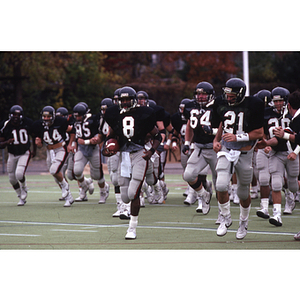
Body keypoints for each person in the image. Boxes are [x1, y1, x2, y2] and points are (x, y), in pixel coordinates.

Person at [103, 86, 162, 239]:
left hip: (139, 154)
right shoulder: (114, 114)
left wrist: (151, 152)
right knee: (124, 196)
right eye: (122, 100)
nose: (125, 102)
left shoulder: (143, 113)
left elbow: (158, 136)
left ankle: (132, 228)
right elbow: (110, 137)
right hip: (123, 155)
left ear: (134, 100)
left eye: (128, 99)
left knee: (133, 192)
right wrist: (107, 147)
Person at [212, 78, 264, 239]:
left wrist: (237, 137)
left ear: (241, 94)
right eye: (227, 94)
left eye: (232, 95)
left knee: (242, 193)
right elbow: (223, 122)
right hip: (226, 150)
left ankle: (243, 221)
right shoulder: (221, 103)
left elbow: (260, 133)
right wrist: (216, 140)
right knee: (220, 184)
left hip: (245, 152)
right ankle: (225, 217)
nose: (228, 98)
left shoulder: (253, 104)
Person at [257, 88, 300, 226]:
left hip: (291, 152)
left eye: (281, 100)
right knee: (275, 182)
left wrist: (296, 152)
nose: (278, 103)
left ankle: (291, 197)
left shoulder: (293, 117)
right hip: (276, 152)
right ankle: (277, 215)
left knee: (293, 184)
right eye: (276, 101)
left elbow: (297, 138)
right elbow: (275, 138)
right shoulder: (267, 114)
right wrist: (266, 143)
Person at [182, 81, 218, 215]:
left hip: (215, 148)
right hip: (199, 148)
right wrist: (187, 142)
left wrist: (213, 133)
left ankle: (223, 213)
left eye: (203, 94)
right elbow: (189, 125)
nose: (200, 96)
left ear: (210, 95)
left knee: (219, 183)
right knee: (188, 175)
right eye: (198, 94)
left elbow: (223, 126)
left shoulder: (217, 107)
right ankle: (203, 194)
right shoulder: (191, 106)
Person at [31, 105, 75, 207]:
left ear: (53, 116)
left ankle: (65, 186)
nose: (46, 119)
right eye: (44, 116)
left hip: (61, 148)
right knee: (56, 176)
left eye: (49, 116)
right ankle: (69, 198)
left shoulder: (60, 122)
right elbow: (40, 142)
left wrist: (70, 144)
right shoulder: (38, 125)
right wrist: (38, 142)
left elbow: (72, 131)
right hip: (49, 151)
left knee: (54, 170)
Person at [72, 102, 109, 204]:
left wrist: (86, 141)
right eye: (76, 116)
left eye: (79, 115)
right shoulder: (76, 121)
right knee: (77, 171)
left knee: (97, 175)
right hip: (81, 149)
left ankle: (103, 191)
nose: (77, 118)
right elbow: (75, 134)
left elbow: (98, 136)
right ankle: (84, 187)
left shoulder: (93, 120)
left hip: (93, 149)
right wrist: (74, 143)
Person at [0, 105, 36, 206]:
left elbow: (33, 136)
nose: (16, 117)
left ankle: (24, 187)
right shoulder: (5, 124)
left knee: (19, 174)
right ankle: (20, 197)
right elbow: (1, 144)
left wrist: (34, 150)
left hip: (24, 152)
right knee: (11, 178)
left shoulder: (27, 122)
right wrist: (7, 142)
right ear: (10, 115)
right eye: (14, 114)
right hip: (12, 153)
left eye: (18, 115)